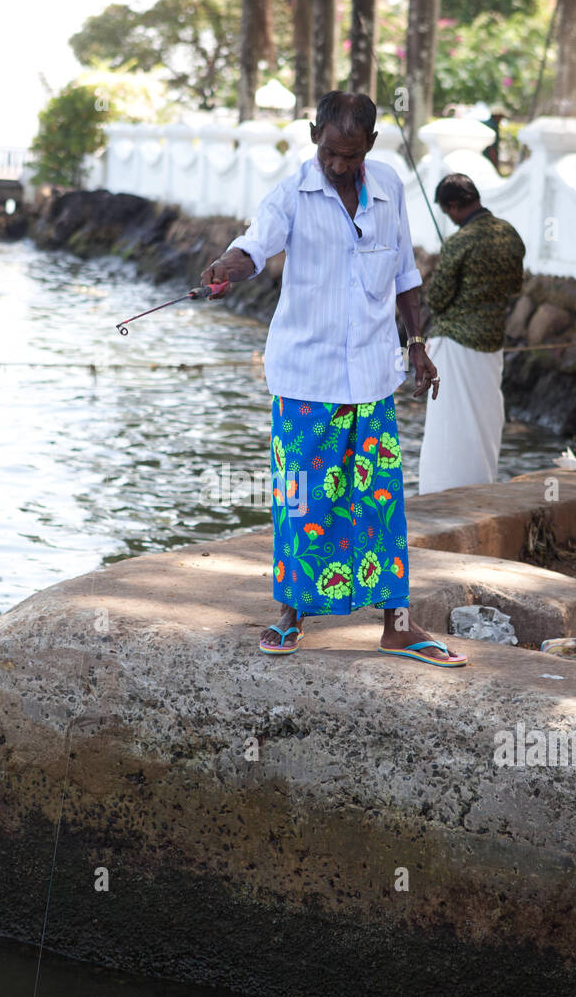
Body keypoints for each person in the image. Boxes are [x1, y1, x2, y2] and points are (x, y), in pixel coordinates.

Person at [200, 90, 466, 668]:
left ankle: (397, 624)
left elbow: (404, 272)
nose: (338, 165)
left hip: (372, 377)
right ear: (314, 133)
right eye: (328, 151)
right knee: (303, 501)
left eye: (349, 154)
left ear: (369, 145)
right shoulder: (293, 193)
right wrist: (226, 269)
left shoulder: (390, 187)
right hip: (305, 379)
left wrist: (416, 343)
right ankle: (292, 614)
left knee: (379, 502)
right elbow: (254, 244)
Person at [418, 173, 525, 496]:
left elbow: (436, 298)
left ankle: (443, 488)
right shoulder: (510, 234)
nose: (449, 219)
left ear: (453, 206)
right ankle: (480, 484)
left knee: (449, 423)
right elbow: (516, 286)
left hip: (455, 344)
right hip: (492, 344)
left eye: (448, 212)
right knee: (483, 419)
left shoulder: (460, 242)